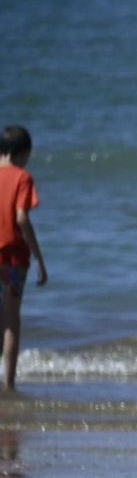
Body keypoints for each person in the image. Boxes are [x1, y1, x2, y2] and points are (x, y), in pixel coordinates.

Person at [0, 126, 46, 392]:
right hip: (14, 257)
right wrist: (39, 258)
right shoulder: (23, 178)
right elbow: (21, 218)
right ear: (24, 154)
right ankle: (8, 384)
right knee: (11, 319)